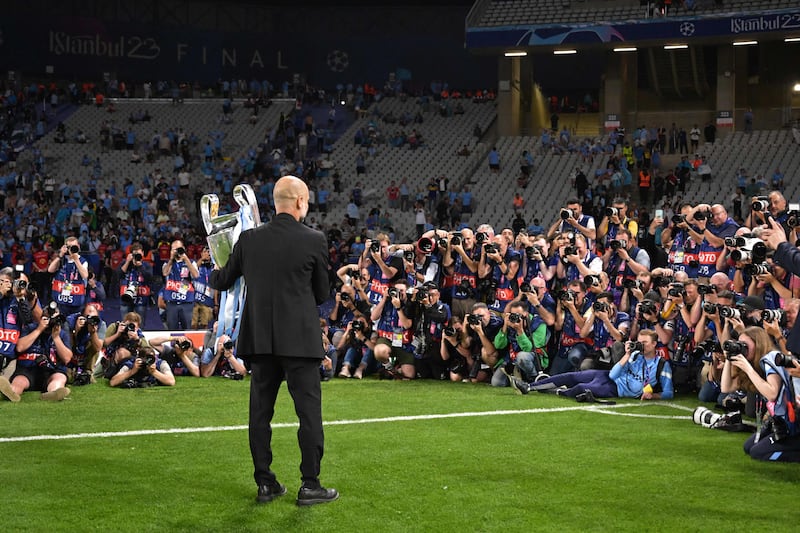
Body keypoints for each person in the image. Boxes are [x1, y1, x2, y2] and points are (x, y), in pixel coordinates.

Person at [209, 175, 338, 506]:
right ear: (299, 202)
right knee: (308, 415)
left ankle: (265, 483)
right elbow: (323, 294)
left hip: (260, 341)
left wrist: (216, 262)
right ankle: (310, 485)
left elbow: (222, 281)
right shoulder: (314, 239)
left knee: (260, 414)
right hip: (301, 342)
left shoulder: (249, 239)